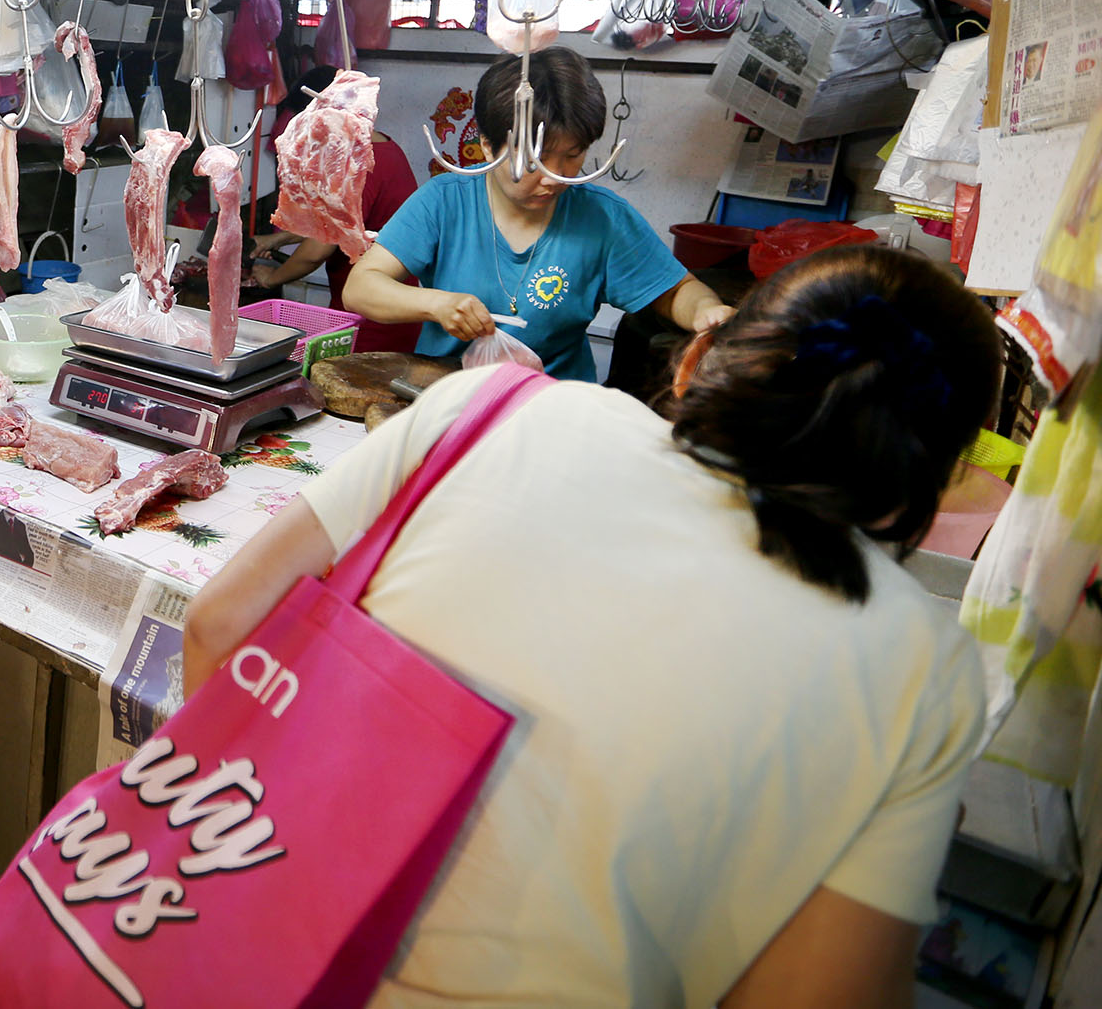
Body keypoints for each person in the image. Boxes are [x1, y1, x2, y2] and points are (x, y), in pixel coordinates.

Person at [184, 244, 998, 1007]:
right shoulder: (920, 662)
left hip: (250, 962)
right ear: (927, 489)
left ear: (693, 363)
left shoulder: (490, 407)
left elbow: (220, 624)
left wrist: (220, 878)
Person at [343, 48, 732, 379]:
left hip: (553, 413)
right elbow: (361, 287)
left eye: (573, 155)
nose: (555, 177)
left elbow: (675, 291)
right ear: (488, 145)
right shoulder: (445, 201)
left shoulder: (603, 218)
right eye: (535, 160)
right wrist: (438, 305)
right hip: (446, 399)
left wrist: (704, 311)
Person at [250, 67, 422, 353]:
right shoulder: (383, 146)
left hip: (372, 323)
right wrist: (277, 239)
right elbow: (340, 224)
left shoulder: (358, 167)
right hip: (378, 311)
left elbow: (318, 250)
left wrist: (271, 279)